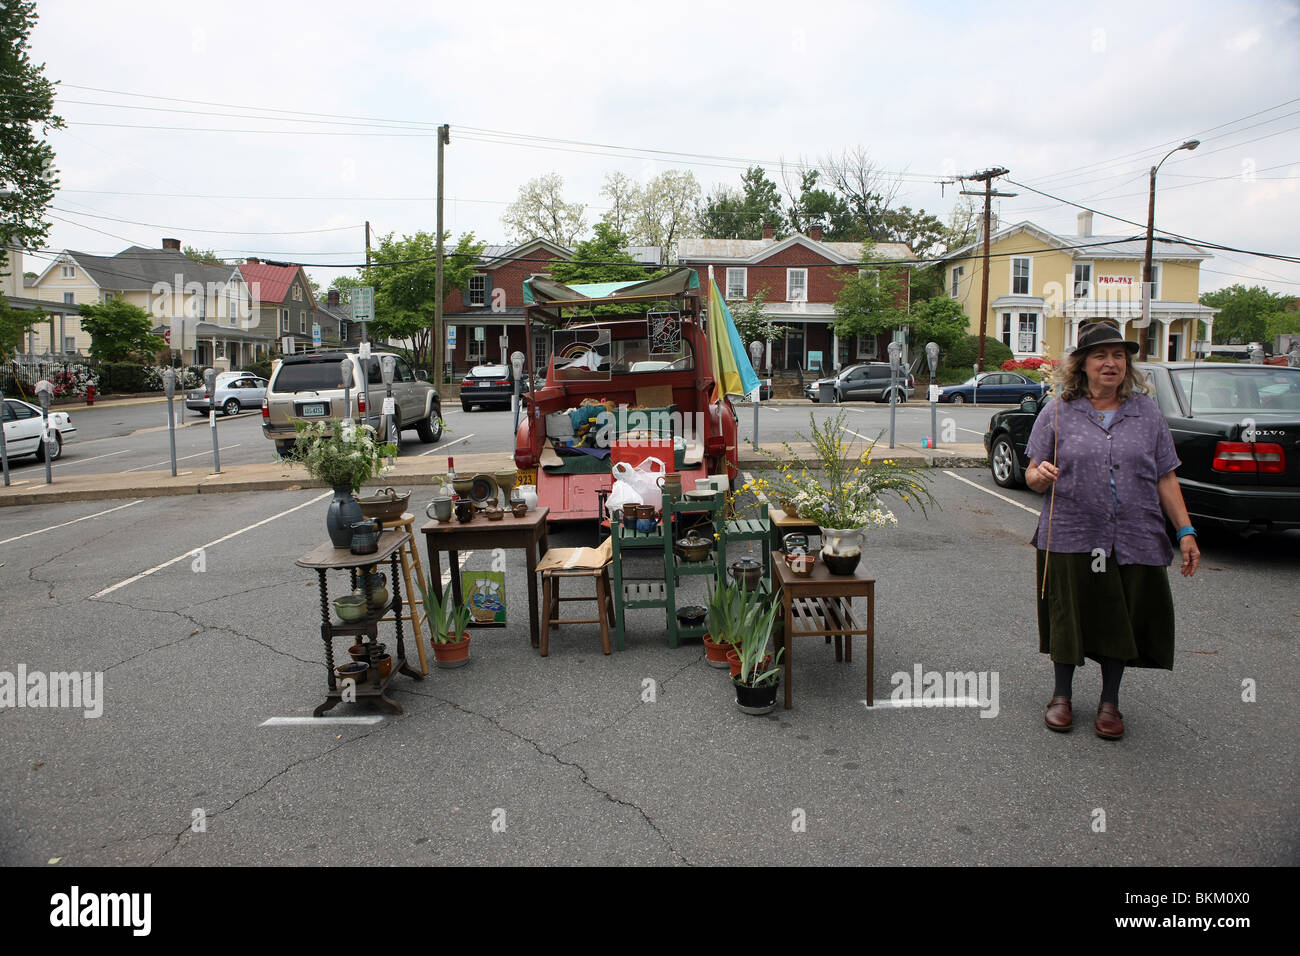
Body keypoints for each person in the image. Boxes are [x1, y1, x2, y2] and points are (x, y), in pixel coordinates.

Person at [1025, 322, 1200, 740]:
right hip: (1070, 532)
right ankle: (1061, 696)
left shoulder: (1147, 412)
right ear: (1082, 365)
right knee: (1068, 613)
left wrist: (1185, 530)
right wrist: (1040, 476)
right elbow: (1031, 471)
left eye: (1119, 356)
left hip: (1135, 533)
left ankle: (1110, 702)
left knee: (1121, 614)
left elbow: (1165, 476)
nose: (1111, 363)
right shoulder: (1058, 411)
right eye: (1101, 356)